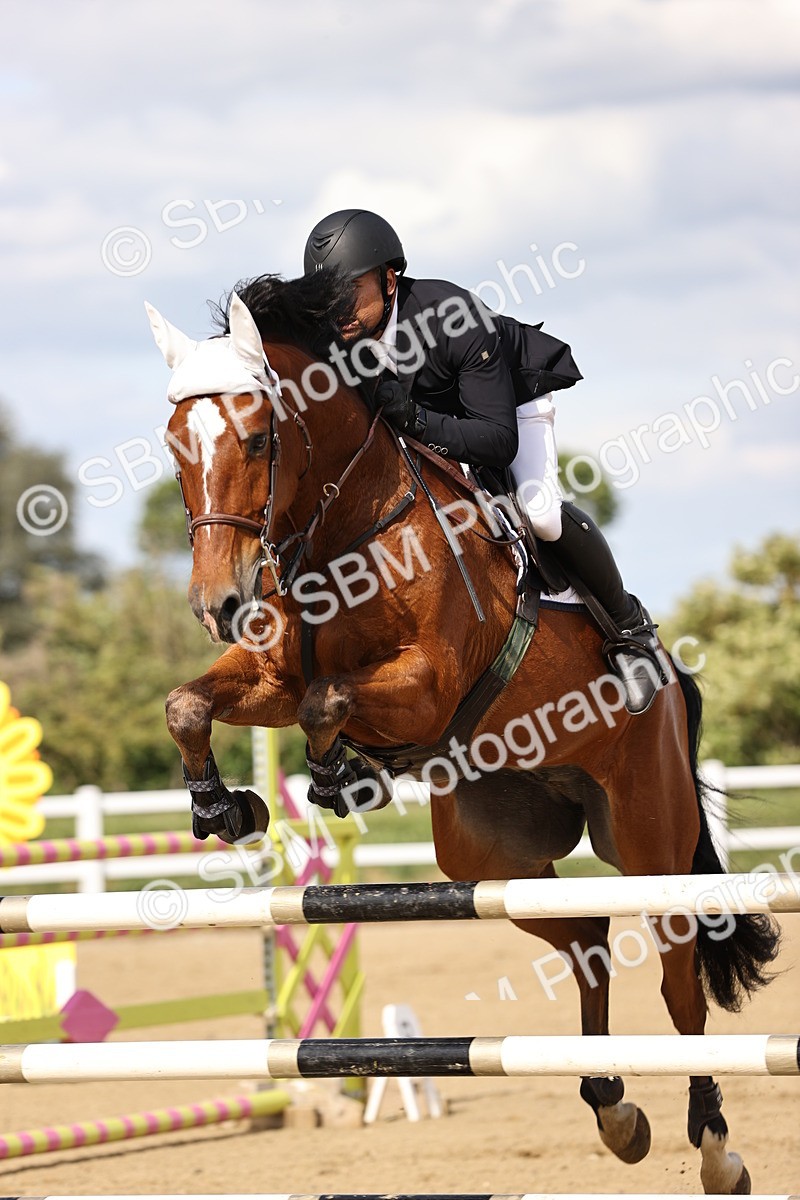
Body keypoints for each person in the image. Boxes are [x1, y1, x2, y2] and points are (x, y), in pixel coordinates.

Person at [303, 209, 665, 714]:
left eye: (350, 290)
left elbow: (497, 442)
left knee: (539, 512)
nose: (337, 309)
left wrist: (414, 419)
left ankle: (630, 630)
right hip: (421, 419)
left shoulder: (453, 316)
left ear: (389, 280)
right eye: (326, 295)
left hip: (508, 409)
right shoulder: (334, 336)